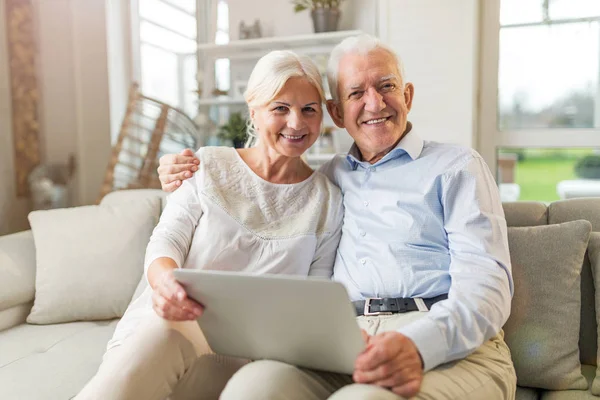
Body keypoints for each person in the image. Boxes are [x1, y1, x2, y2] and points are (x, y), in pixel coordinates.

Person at [158, 34, 517, 399]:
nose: (375, 103)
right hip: (346, 343)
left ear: (407, 95)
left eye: (386, 86)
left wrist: (419, 345)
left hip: (451, 346)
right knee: (252, 389)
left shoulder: (457, 167)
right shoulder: (326, 181)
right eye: (356, 93)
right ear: (337, 113)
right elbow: (260, 191)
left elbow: (486, 288)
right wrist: (180, 170)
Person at [76, 50, 344, 400]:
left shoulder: (327, 200)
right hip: (160, 335)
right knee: (170, 330)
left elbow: (315, 298)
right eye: (280, 108)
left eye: (309, 109)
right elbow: (166, 241)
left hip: (245, 364)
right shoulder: (207, 165)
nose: (296, 123)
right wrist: (166, 284)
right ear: (254, 110)